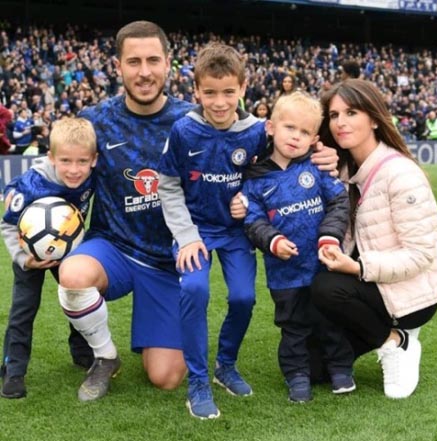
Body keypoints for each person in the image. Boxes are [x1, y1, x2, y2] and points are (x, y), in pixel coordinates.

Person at [158, 43, 339, 420]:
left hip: (237, 230)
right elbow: (168, 184)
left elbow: (294, 149)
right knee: (195, 288)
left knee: (243, 299)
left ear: (242, 88)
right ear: (196, 91)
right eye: (209, 92)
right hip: (197, 230)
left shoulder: (256, 132)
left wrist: (325, 154)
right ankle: (198, 382)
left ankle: (225, 364)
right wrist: (187, 235)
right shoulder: (183, 131)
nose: (219, 101)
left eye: (228, 92)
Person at [56, 21, 194, 402]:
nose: (144, 72)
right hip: (113, 247)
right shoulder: (96, 120)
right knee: (73, 273)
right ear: (118, 66)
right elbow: (63, 164)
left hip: (167, 261)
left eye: (153, 60)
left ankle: (157, 330)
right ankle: (105, 356)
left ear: (169, 63)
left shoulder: (192, 121)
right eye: (134, 61)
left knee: (166, 377)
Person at [311, 79, 437, 399]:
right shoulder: (343, 168)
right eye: (334, 115)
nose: (341, 122)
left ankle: (397, 341)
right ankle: (387, 333)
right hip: (373, 287)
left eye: (352, 112)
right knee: (312, 368)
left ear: (374, 118)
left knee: (326, 288)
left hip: (413, 293)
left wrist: (357, 268)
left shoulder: (401, 174)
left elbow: (419, 256)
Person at [242, 91, 354, 403]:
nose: (296, 137)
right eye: (290, 127)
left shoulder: (317, 168)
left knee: (330, 320)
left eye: (305, 132)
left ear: (315, 138)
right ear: (271, 127)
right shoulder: (255, 179)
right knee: (294, 328)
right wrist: (273, 241)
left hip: (322, 266)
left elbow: (338, 202)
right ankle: (297, 376)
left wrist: (330, 236)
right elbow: (252, 220)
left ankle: (341, 369)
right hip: (285, 274)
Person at [0, 117, 96, 399]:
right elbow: (7, 222)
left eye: (82, 161)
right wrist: (22, 257)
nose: (74, 170)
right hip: (31, 253)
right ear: (51, 157)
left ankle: (81, 351)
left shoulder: (94, 175)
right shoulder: (32, 184)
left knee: (76, 297)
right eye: (65, 161)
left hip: (68, 249)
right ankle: (14, 370)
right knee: (23, 309)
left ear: (93, 160)